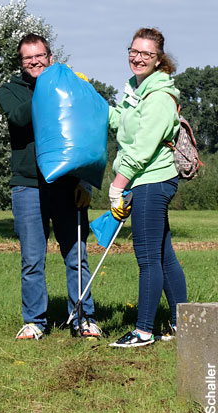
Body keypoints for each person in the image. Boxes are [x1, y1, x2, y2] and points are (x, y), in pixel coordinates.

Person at [0, 33, 101, 341]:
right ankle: (35, 322)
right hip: (27, 185)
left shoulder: (68, 84)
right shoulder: (10, 90)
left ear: (50, 57)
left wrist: (85, 181)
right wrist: (50, 86)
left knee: (76, 255)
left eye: (39, 56)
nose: (34, 62)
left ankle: (83, 318)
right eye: (28, 58)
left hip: (66, 184)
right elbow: (18, 119)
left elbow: (86, 128)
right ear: (21, 62)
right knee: (32, 259)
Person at [107, 28, 187, 348]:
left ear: (159, 59)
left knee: (148, 259)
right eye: (134, 51)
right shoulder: (136, 91)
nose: (138, 58)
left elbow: (141, 149)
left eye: (147, 54)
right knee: (164, 256)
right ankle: (184, 324)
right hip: (147, 180)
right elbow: (121, 124)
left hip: (151, 180)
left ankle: (143, 331)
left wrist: (117, 186)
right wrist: (91, 103)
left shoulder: (157, 96)